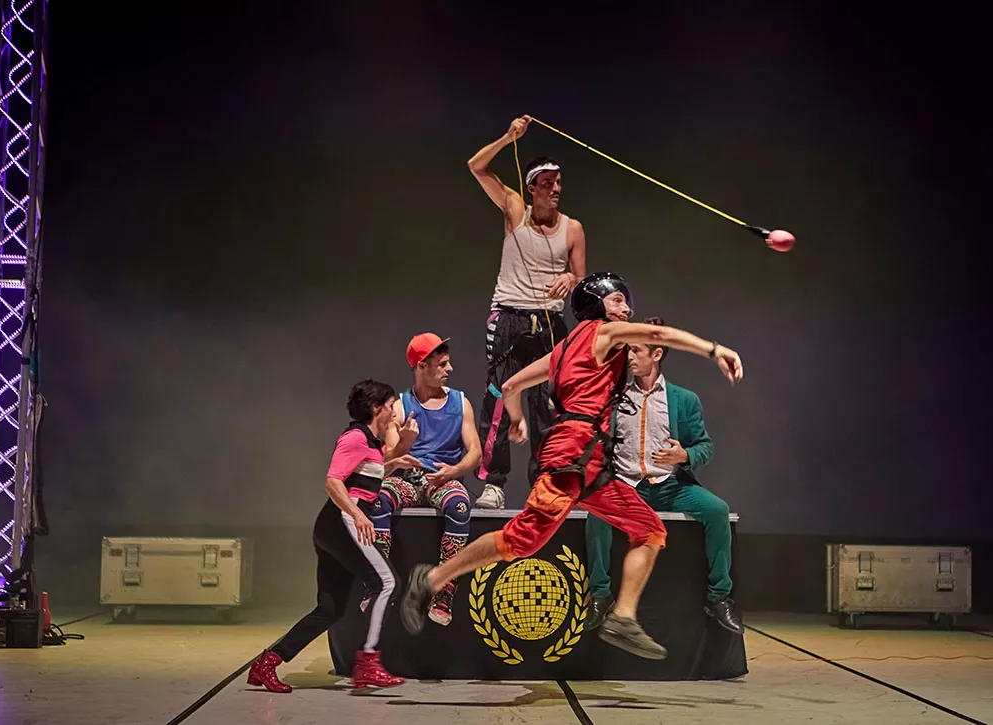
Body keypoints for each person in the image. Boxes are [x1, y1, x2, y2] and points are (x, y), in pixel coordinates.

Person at [399, 273, 744, 660]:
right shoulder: (602, 332)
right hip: (570, 456)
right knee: (520, 540)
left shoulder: (564, 349)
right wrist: (715, 350)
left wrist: (517, 417)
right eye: (617, 300)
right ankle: (432, 578)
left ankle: (623, 617)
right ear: (597, 305)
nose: (626, 308)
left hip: (592, 464)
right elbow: (657, 334)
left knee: (649, 530)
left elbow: (510, 386)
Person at [246, 380, 422, 692]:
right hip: (342, 521)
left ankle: (267, 662)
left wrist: (396, 459)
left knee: (329, 609)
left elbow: (367, 477)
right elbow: (333, 481)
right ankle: (368, 662)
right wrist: (357, 515)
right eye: (390, 405)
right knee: (387, 583)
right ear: (375, 408)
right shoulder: (355, 437)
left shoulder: (372, 443)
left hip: (333, 525)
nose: (395, 412)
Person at [583, 316, 743, 635]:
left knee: (717, 511)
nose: (629, 357)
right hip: (628, 487)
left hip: (669, 486)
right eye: (627, 350)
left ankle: (718, 597)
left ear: (656, 354)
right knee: (596, 514)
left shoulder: (683, 399)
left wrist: (685, 455)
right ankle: (600, 595)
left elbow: (705, 446)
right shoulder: (614, 396)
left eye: (636, 350)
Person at [467, 115, 587, 509]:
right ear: (532, 186)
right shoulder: (516, 210)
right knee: (498, 400)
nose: (556, 189)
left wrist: (570, 278)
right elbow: (476, 166)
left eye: (559, 182)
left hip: (550, 323)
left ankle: (545, 483)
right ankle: (493, 484)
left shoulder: (572, 228)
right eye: (548, 183)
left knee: (547, 406)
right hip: (509, 317)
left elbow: (581, 279)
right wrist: (508, 137)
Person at [377, 333, 481, 626]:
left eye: (448, 363)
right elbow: (388, 461)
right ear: (422, 366)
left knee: (459, 504)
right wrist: (405, 443)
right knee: (380, 498)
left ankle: (444, 591)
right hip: (408, 480)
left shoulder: (460, 403)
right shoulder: (400, 406)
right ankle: (378, 582)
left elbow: (475, 452)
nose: (450, 369)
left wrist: (454, 471)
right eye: (442, 364)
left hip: (443, 480)